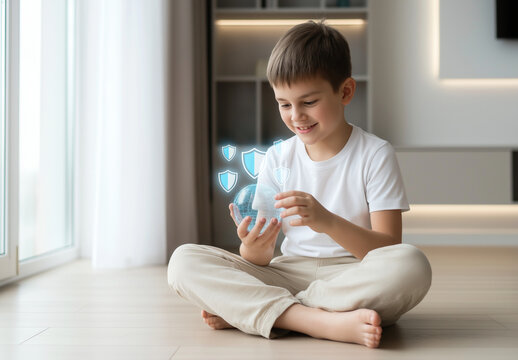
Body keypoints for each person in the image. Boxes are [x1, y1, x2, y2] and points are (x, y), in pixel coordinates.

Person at [168, 20, 432, 348]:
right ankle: (317, 320)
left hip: (351, 277)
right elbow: (258, 261)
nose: (296, 116)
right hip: (287, 273)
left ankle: (261, 311)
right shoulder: (278, 158)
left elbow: (388, 249)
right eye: (284, 104)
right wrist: (253, 246)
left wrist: (327, 221)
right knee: (183, 260)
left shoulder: (375, 154)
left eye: (308, 102)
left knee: (412, 264)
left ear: (346, 91)